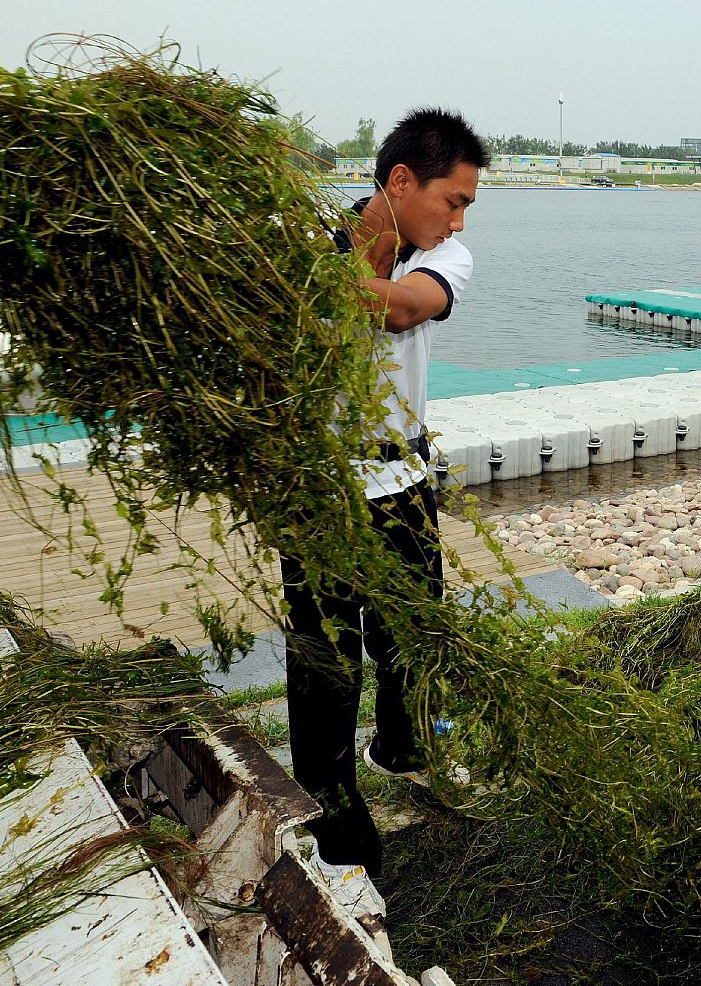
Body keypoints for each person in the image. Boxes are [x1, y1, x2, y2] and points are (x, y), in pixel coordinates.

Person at [280, 107, 490, 921]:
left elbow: (401, 309)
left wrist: (288, 278)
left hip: (402, 480)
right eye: (453, 200)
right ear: (401, 181)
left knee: (414, 637)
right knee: (325, 670)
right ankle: (338, 840)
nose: (459, 220)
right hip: (318, 493)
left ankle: (405, 749)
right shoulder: (307, 243)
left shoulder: (441, 258)